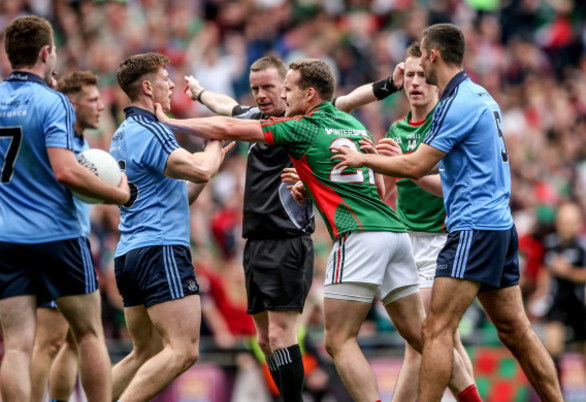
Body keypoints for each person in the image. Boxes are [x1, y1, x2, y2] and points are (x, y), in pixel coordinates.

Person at [156, 58, 478, 402]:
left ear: (309, 94)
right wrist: (310, 186)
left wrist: (173, 122)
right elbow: (373, 189)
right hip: (395, 232)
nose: (282, 93)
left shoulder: (301, 127)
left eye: (288, 88)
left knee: (338, 341)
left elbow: (230, 127)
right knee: (424, 337)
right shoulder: (352, 125)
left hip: (357, 235)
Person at [331, 23, 563, 401]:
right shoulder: (481, 95)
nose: (417, 68)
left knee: (435, 330)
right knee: (514, 330)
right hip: (496, 226)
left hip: (471, 229)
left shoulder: (456, 105)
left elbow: (416, 167)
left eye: (422, 56)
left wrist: (362, 157)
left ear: (433, 55)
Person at [0, 15, 130, 402]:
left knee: (18, 348)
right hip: (57, 236)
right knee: (89, 334)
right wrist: (120, 195)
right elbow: (64, 170)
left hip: (5, 239)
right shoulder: (53, 102)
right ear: (46, 53)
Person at [333, 41, 474, 400]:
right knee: (444, 337)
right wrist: (374, 160)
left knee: (422, 337)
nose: (414, 82)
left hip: (441, 242)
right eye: (408, 75)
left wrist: (409, 166)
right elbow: (384, 193)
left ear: (434, 78)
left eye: (420, 75)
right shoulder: (396, 131)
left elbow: (450, 188)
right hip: (406, 241)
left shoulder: (446, 123)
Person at [185, 56, 316, 401]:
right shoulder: (255, 118)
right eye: (255, 88)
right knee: (263, 341)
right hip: (256, 243)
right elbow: (228, 106)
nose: (260, 94)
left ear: (287, 90)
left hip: (287, 241)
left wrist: (166, 121)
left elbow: (225, 123)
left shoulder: (300, 122)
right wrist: (199, 94)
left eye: (269, 87)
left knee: (280, 337)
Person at [108, 52, 233, 402]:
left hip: (130, 255)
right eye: (165, 78)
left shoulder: (123, 133)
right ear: (147, 87)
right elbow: (201, 169)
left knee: (143, 353)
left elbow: (181, 195)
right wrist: (216, 135)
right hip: (159, 250)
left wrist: (213, 158)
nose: (172, 84)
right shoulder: (152, 129)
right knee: (183, 350)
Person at [30, 70, 106, 402]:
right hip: (57, 241)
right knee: (50, 340)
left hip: (72, 241)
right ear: (72, 104)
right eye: (93, 100)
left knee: (73, 338)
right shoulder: (55, 135)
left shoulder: (79, 140)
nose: (101, 106)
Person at [537, 202, 586, 387]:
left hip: (579, 303)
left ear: (578, 223)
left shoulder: (582, 246)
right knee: (552, 348)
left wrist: (568, 272)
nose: (567, 226)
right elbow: (544, 271)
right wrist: (540, 292)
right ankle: (557, 392)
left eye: (571, 222)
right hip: (557, 304)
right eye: (564, 222)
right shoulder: (550, 244)